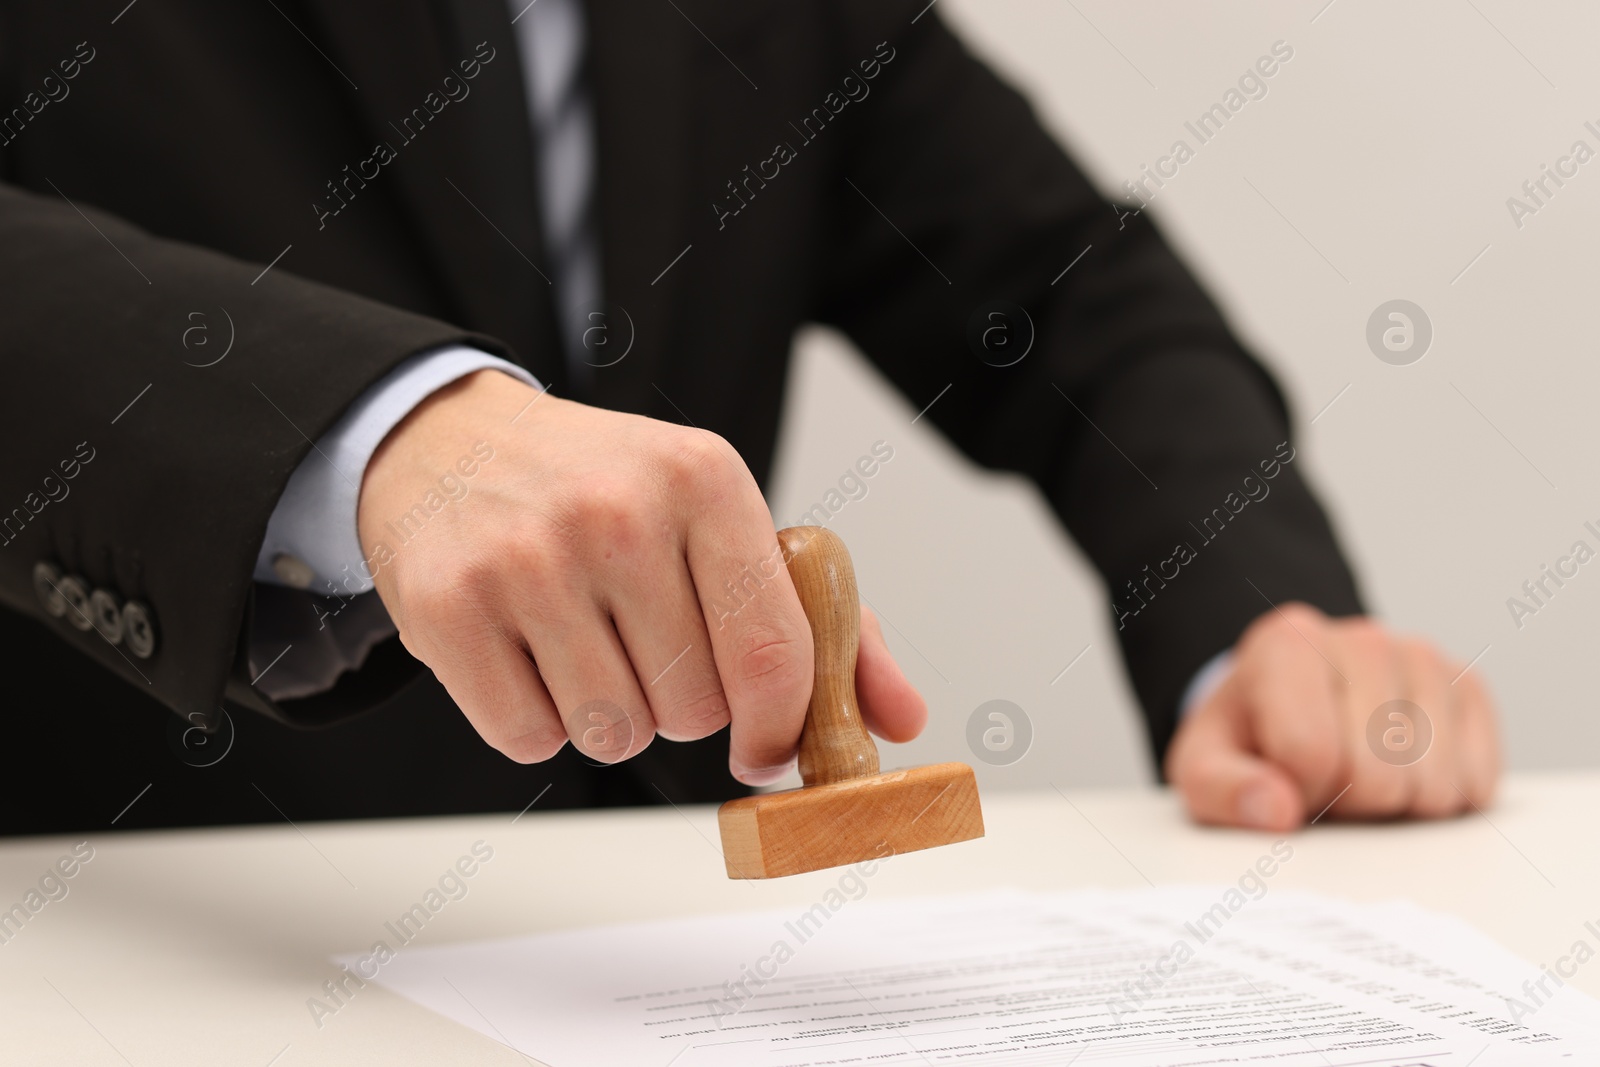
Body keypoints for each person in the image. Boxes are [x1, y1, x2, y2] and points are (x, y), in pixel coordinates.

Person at [0, 0, 1496, 836]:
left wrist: (1262, 624)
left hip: (649, 957)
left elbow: (1065, 292)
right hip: (129, 913)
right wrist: (378, 429)